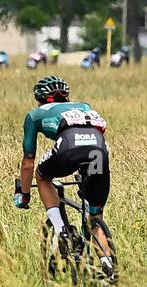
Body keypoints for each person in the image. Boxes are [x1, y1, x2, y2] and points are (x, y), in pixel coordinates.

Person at [15, 76, 112, 276]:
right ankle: (107, 262)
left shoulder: (35, 114)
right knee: (95, 215)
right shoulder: (84, 106)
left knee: (42, 176)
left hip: (69, 146)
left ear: (39, 98)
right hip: (99, 149)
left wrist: (23, 194)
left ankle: (61, 231)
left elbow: (28, 162)